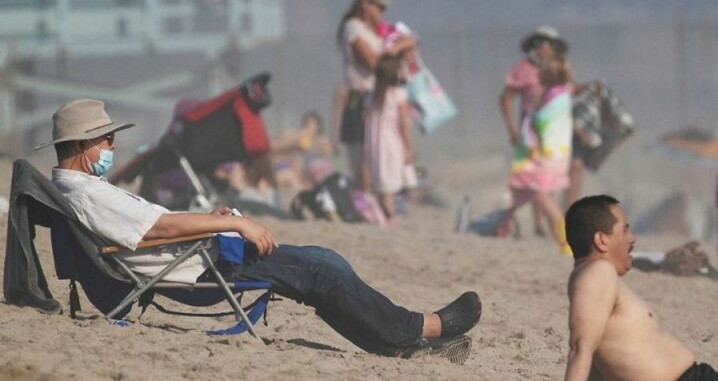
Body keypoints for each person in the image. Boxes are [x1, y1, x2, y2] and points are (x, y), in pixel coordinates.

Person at [38, 98, 481, 360]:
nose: (114, 146)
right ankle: (425, 327)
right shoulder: (86, 194)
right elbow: (156, 228)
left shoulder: (81, 189)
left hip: (193, 257)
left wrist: (219, 220)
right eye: (107, 140)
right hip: (197, 270)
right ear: (81, 146)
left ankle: (398, 342)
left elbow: (151, 228)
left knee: (317, 274)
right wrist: (235, 223)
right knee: (324, 269)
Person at [564, 195, 718, 381]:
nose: (632, 238)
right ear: (601, 240)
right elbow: (580, 349)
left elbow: (594, 360)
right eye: (625, 229)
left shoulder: (593, 280)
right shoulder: (597, 272)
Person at [334, 0, 417, 189]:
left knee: (385, 151)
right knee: (363, 155)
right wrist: (395, 50)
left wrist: (402, 45)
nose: (382, 11)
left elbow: (409, 41)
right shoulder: (353, 28)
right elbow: (372, 62)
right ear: (365, 4)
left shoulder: (376, 31)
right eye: (378, 6)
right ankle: (366, 198)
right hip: (361, 98)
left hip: (380, 97)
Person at [499, 25, 568, 238]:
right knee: (532, 182)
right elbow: (505, 99)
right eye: (539, 43)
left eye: (549, 43)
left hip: (556, 137)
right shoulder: (525, 69)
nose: (544, 48)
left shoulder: (561, 70)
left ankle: (543, 225)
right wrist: (512, 131)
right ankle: (538, 226)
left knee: (548, 183)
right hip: (531, 136)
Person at [504, 57, 574, 255]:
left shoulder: (555, 96)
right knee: (531, 193)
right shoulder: (560, 93)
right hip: (556, 154)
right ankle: (557, 239)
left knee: (541, 195)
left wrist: (532, 117)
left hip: (549, 154)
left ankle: (565, 240)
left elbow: (543, 122)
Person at [364, 54, 414, 224]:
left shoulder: (371, 98)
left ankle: (384, 215)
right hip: (392, 143)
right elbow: (404, 124)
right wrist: (408, 147)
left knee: (380, 182)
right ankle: (390, 216)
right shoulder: (399, 95)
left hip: (374, 144)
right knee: (390, 185)